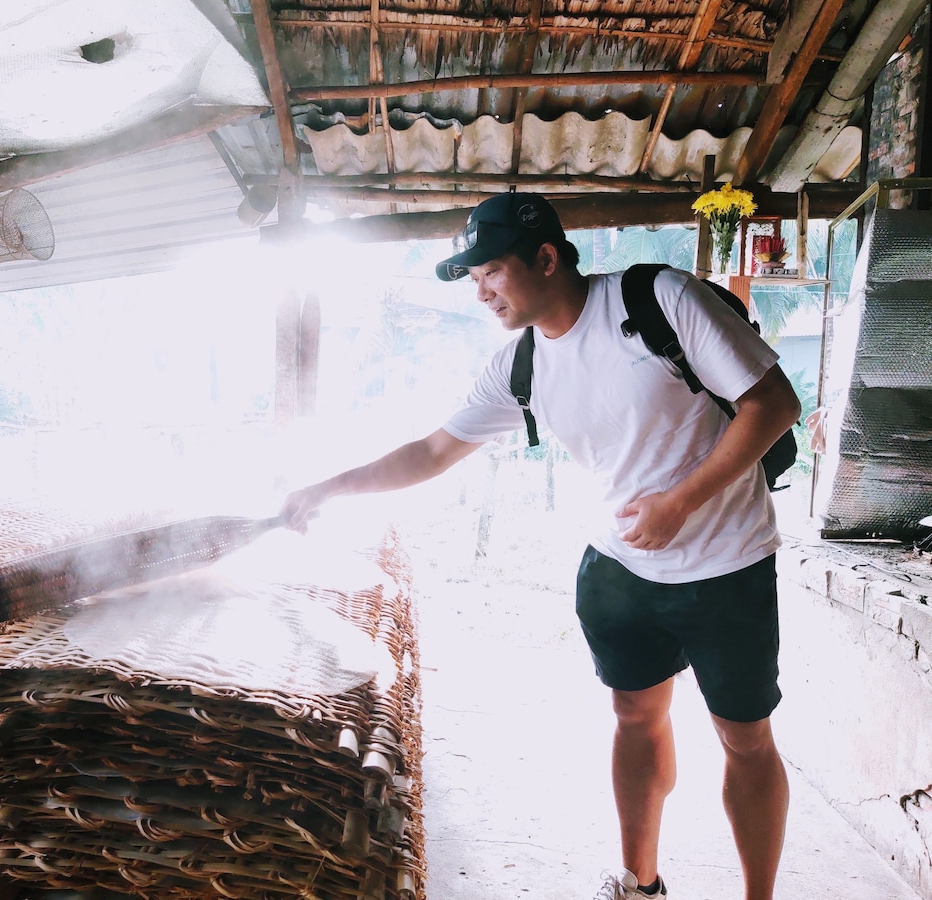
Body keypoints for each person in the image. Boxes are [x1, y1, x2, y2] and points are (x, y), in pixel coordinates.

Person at [278, 192, 801, 900]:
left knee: (744, 740)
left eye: (491, 271)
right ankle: (640, 883)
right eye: (472, 280)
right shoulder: (520, 364)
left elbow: (773, 403)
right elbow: (434, 451)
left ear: (546, 258)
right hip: (619, 572)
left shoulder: (660, 301)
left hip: (727, 565)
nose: (482, 291)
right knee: (636, 720)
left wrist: (681, 502)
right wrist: (327, 488)